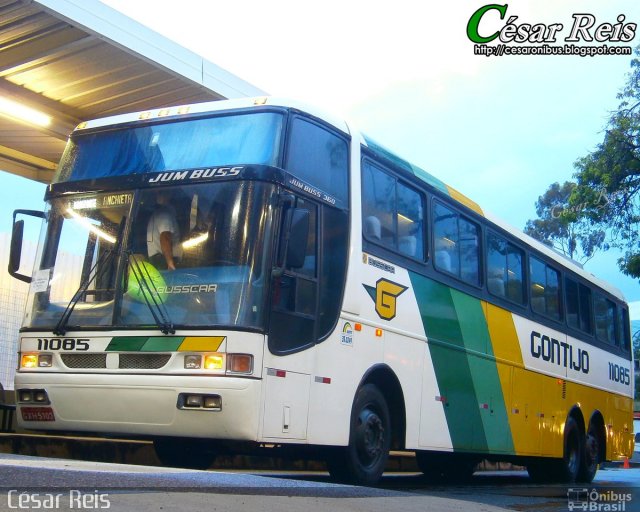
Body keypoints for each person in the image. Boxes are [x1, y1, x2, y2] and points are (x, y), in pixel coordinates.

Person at [147, 190, 182, 270]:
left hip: (158, 260)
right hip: (164, 261)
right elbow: (165, 237)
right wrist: (170, 263)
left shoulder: (158, 214)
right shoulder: (165, 215)